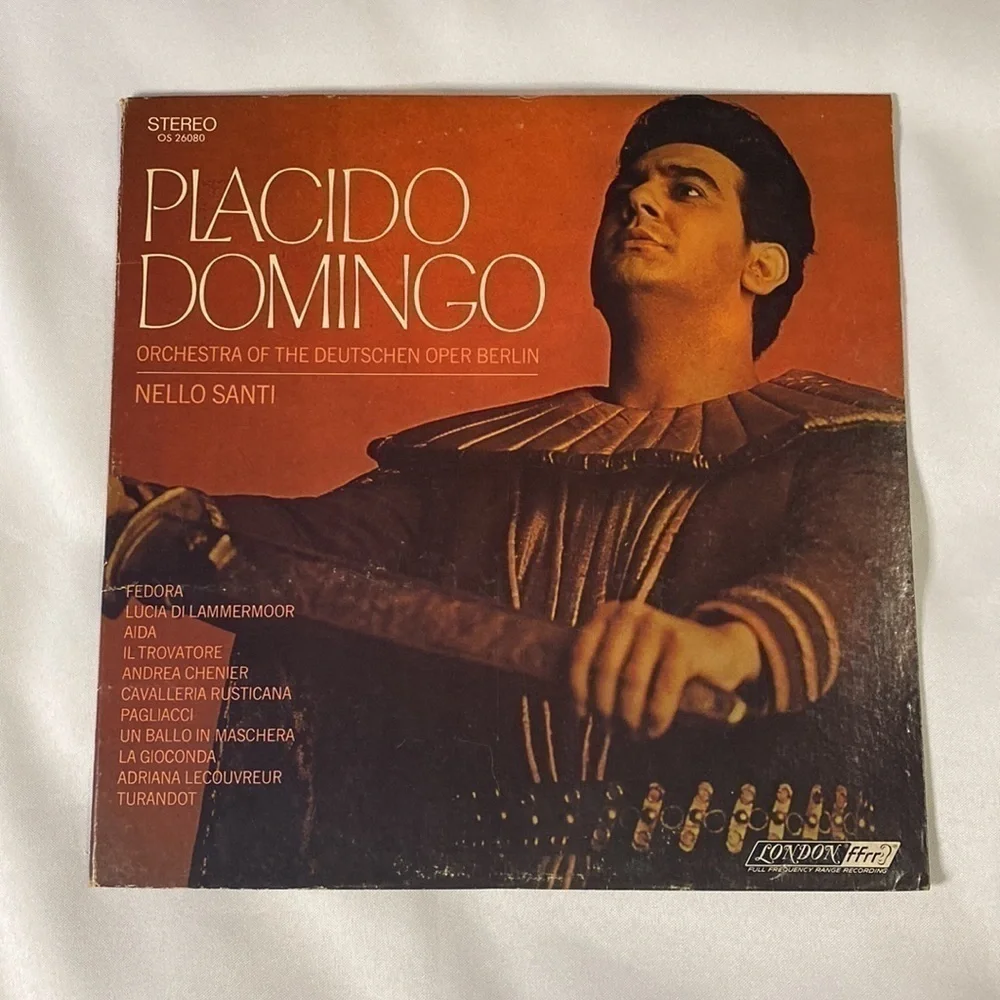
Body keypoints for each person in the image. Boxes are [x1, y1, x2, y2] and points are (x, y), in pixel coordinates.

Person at [105, 96, 926, 889]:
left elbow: (856, 570)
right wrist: (127, 510)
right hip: (482, 909)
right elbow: (296, 546)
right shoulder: (475, 464)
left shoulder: (843, 440)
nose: (639, 199)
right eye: (628, 187)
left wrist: (730, 644)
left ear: (762, 264)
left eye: (686, 189)